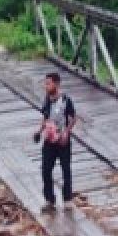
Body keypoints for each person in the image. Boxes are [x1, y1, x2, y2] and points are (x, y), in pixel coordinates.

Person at [33, 71, 76, 212]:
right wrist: (39, 132)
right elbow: (45, 118)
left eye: (48, 83)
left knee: (65, 169)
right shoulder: (47, 100)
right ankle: (49, 200)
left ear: (56, 84)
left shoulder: (66, 100)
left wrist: (66, 133)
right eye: (45, 83)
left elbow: (73, 118)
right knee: (46, 169)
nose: (46, 86)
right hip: (49, 140)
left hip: (62, 140)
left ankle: (68, 199)